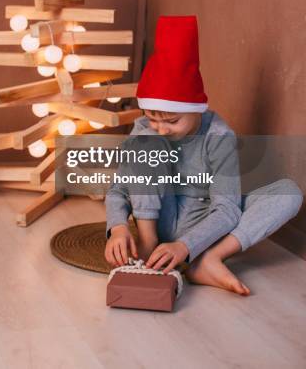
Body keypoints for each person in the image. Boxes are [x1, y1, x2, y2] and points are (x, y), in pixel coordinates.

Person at [104, 15, 303, 295]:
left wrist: (187, 246)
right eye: (151, 117)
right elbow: (118, 190)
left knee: (289, 193)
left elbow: (227, 208)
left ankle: (208, 260)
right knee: (146, 142)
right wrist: (118, 229)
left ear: (196, 109)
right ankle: (149, 245)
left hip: (203, 227)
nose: (161, 128)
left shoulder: (219, 137)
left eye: (172, 121)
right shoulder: (144, 132)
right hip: (156, 220)